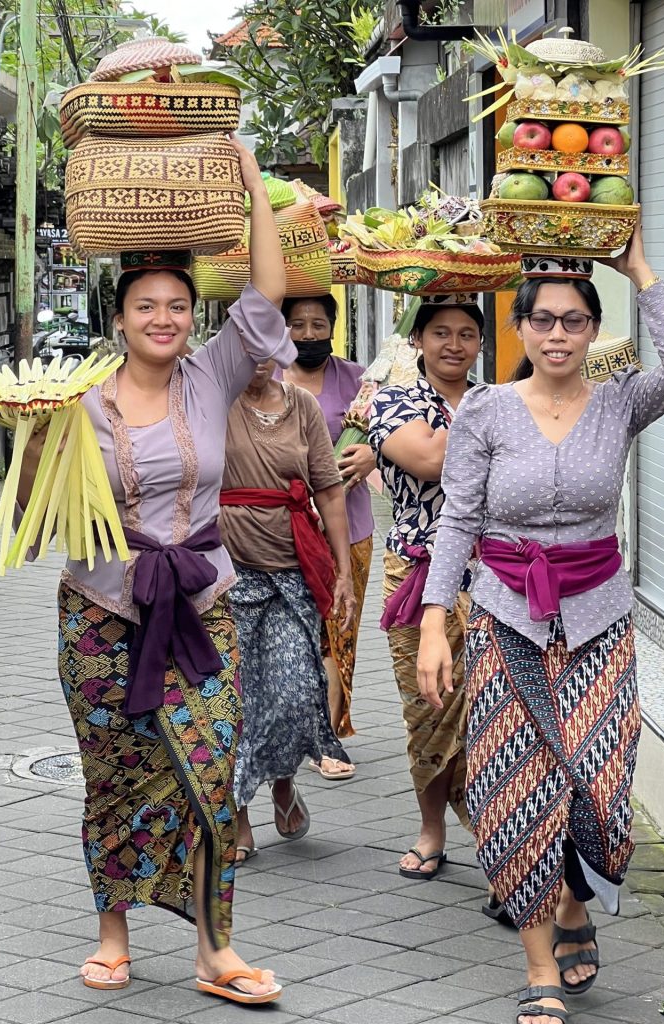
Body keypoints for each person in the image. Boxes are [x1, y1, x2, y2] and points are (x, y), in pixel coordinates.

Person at [17, 138, 295, 1006]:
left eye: (177, 305)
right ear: (120, 318)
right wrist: (24, 439)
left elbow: (267, 294)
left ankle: (218, 950)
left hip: (205, 604)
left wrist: (253, 189)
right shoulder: (78, 399)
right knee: (115, 774)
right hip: (101, 610)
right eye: (148, 306)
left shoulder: (211, 376)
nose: (165, 318)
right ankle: (114, 934)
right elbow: (40, 510)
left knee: (209, 770)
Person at [417, 227, 664, 1024]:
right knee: (514, 792)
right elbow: (458, 519)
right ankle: (539, 961)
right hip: (506, 618)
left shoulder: (619, 400)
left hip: (599, 618)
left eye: (573, 321)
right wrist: (436, 622)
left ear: (592, 329)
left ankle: (578, 895)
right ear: (519, 327)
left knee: (604, 796)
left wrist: (639, 266)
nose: (557, 336)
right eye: (542, 320)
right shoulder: (487, 410)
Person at [219, 360, 356, 861]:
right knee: (237, 699)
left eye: (267, 340)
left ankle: (283, 779)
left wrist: (343, 572)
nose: (255, 354)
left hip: (292, 570)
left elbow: (329, 489)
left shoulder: (302, 406)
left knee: (297, 690)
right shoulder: (215, 398)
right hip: (225, 573)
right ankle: (236, 813)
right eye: (245, 341)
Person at [368, 297, 482, 880]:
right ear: (418, 340)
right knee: (429, 709)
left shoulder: (496, 398)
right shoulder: (393, 400)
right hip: (417, 572)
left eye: (466, 333)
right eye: (440, 332)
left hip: (495, 576)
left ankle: (502, 835)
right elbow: (433, 460)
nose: (454, 344)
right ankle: (432, 829)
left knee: (492, 710)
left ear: (481, 343)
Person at [279, 295, 375, 776]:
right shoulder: (266, 379)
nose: (309, 333)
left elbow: (393, 431)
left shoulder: (359, 380)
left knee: (338, 631)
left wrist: (373, 454)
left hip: (349, 528)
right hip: (284, 534)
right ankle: (294, 726)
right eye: (297, 324)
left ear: (334, 326)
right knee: (295, 632)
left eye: (319, 323)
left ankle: (329, 735)